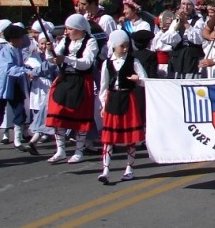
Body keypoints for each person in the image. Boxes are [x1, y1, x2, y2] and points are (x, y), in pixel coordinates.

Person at [46, 14, 99, 164]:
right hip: (65, 79)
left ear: (79, 29)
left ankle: (79, 150)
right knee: (57, 111)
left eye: (69, 29)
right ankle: (60, 150)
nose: (67, 32)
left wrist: (67, 59)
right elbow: (52, 59)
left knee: (80, 115)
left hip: (81, 81)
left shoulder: (90, 42)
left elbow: (87, 63)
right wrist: (51, 51)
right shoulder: (65, 40)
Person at [98, 30, 148, 184]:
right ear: (113, 46)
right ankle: (105, 169)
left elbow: (145, 80)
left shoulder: (133, 61)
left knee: (130, 138)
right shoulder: (107, 63)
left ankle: (129, 168)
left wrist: (137, 79)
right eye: (122, 46)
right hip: (112, 99)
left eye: (127, 46)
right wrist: (102, 104)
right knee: (108, 138)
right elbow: (103, 86)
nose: (125, 49)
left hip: (128, 98)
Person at [0, 24, 30, 151]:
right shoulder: (5, 51)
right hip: (1, 86)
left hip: (14, 84)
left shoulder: (18, 49)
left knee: (19, 110)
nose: (22, 40)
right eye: (19, 38)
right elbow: (9, 68)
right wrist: (26, 71)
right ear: (12, 39)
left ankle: (17, 140)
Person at [21, 27, 58, 155]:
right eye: (41, 43)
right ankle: (35, 141)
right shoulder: (35, 56)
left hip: (53, 87)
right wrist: (32, 72)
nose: (43, 46)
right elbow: (44, 67)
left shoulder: (56, 54)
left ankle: (35, 141)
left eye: (46, 44)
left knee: (49, 116)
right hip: (47, 90)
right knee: (46, 116)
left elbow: (50, 67)